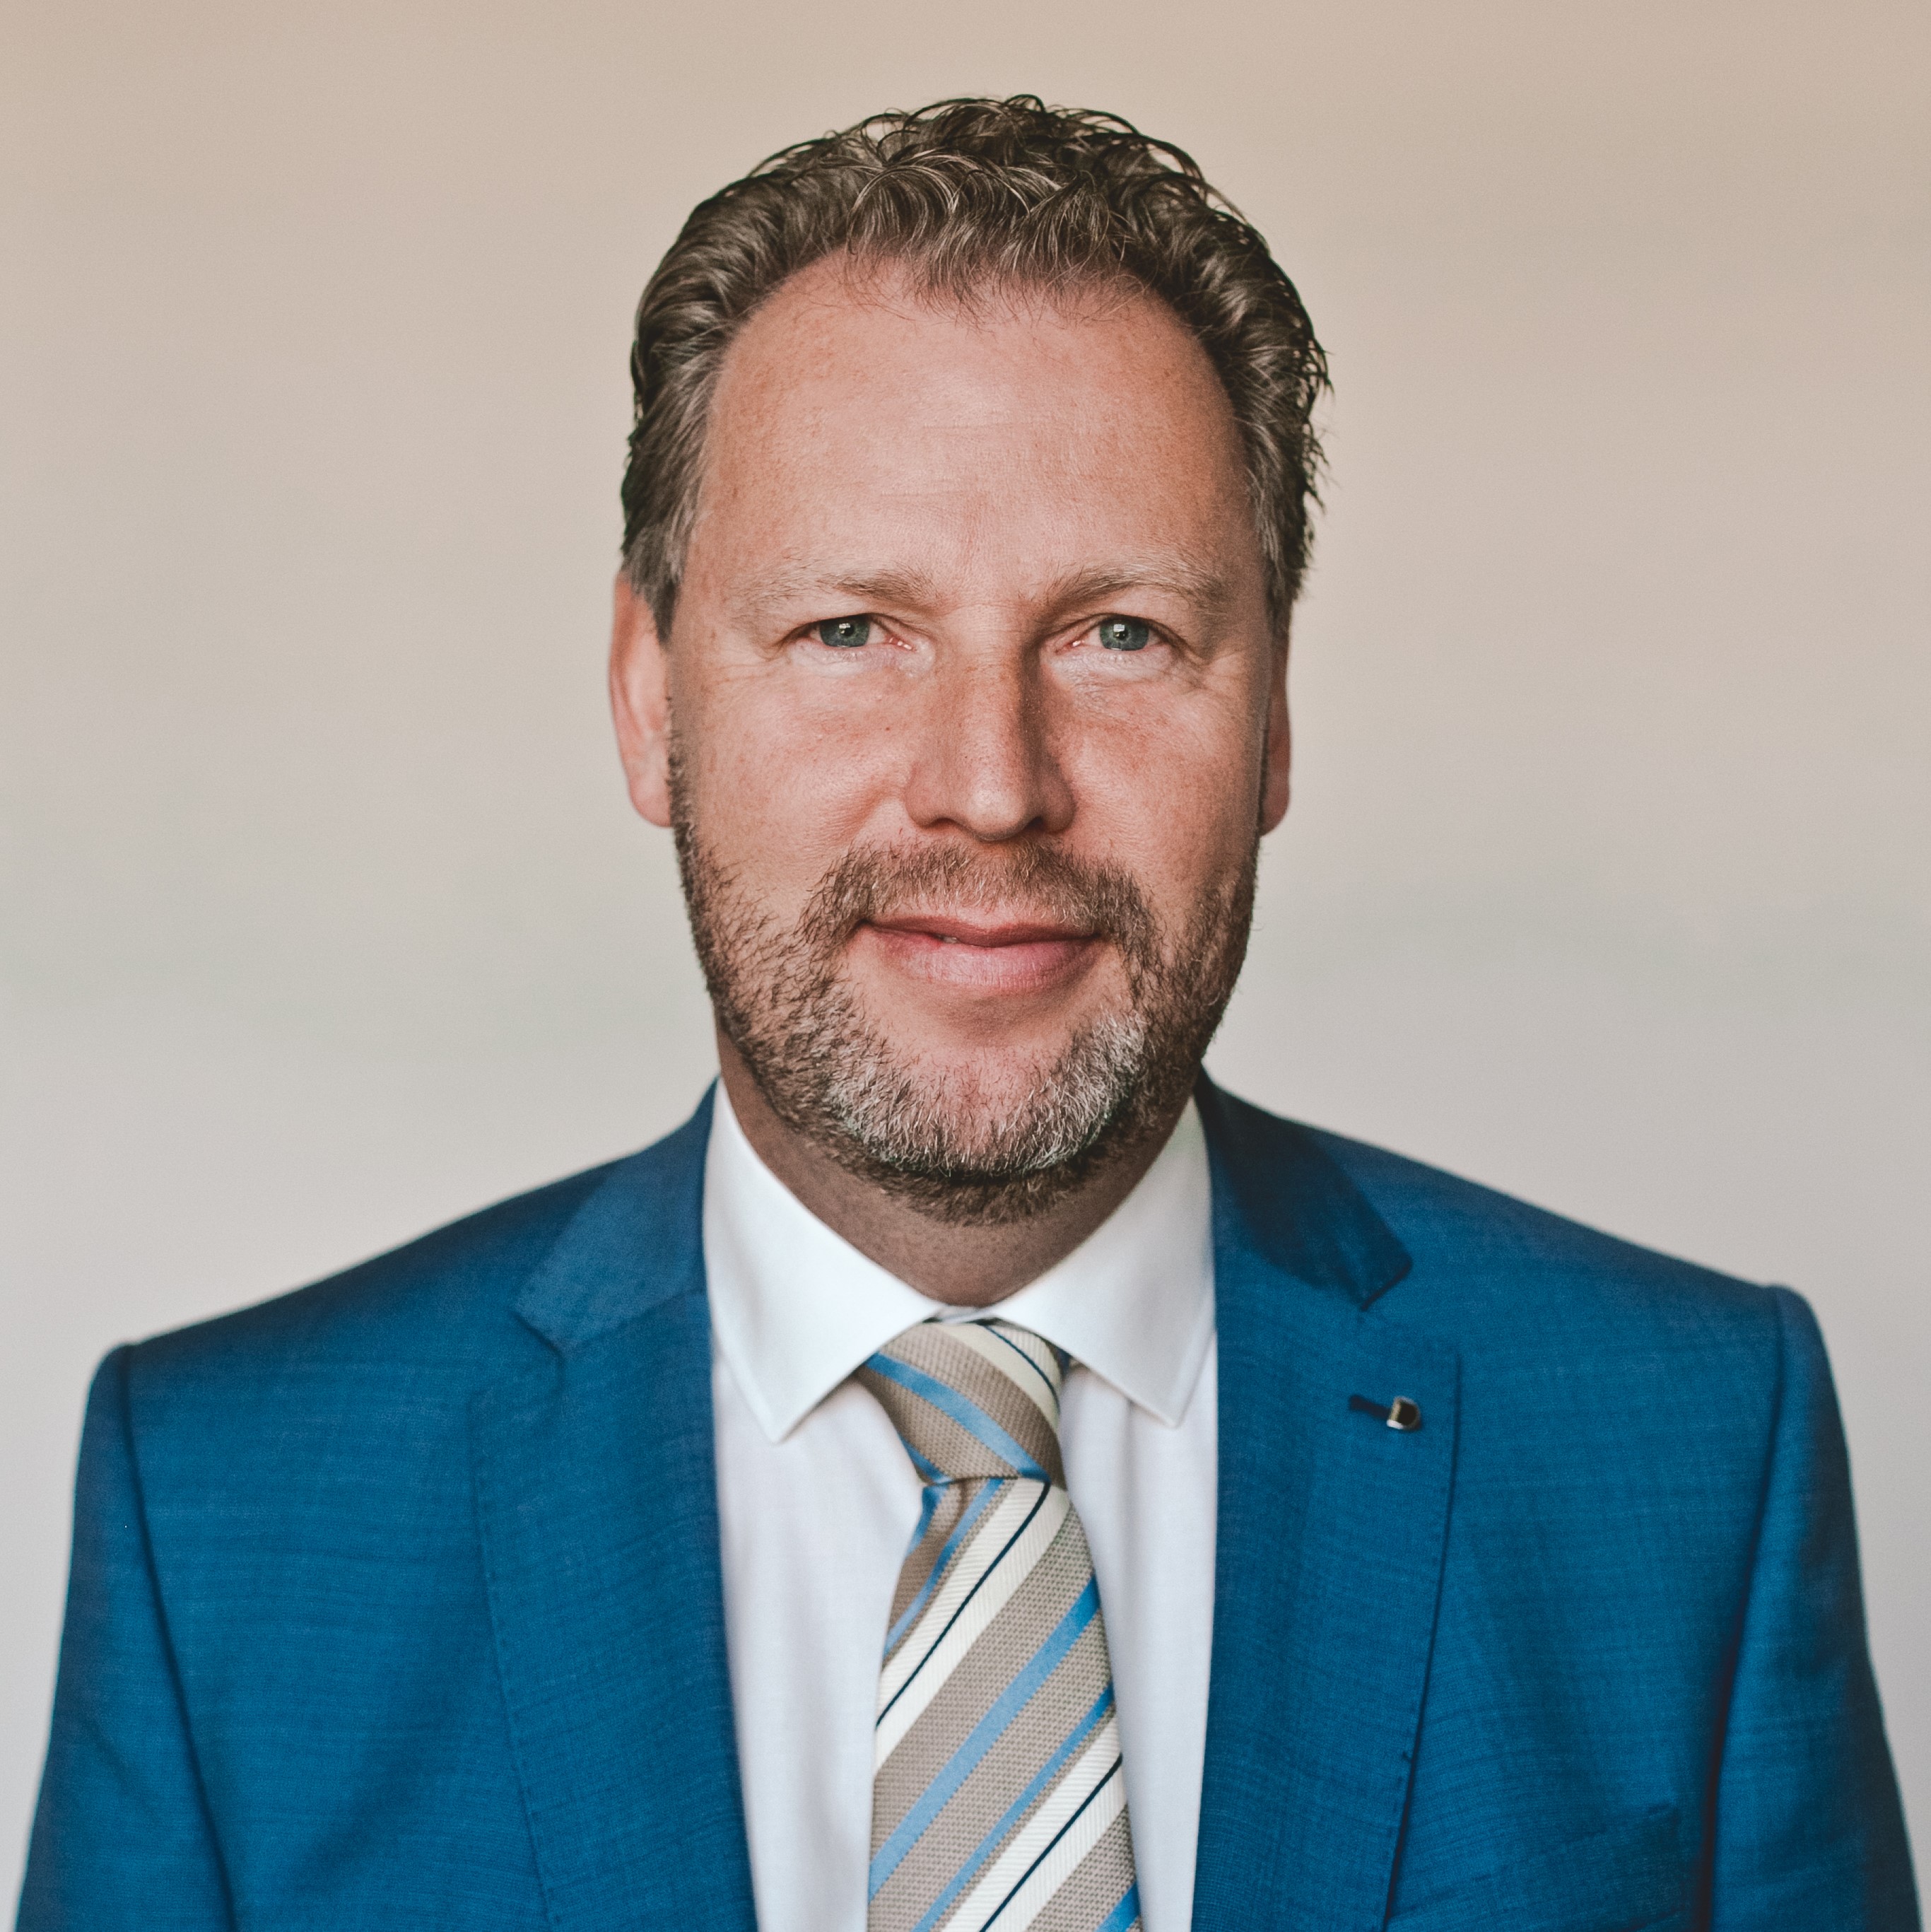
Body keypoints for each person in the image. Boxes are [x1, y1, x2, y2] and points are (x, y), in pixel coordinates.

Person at [17, 96, 1916, 1932]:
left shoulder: (1687, 1452)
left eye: (1120, 635)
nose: (990, 788)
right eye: (851, 629)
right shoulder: (229, 1511)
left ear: (1271, 715)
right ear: (650, 700)